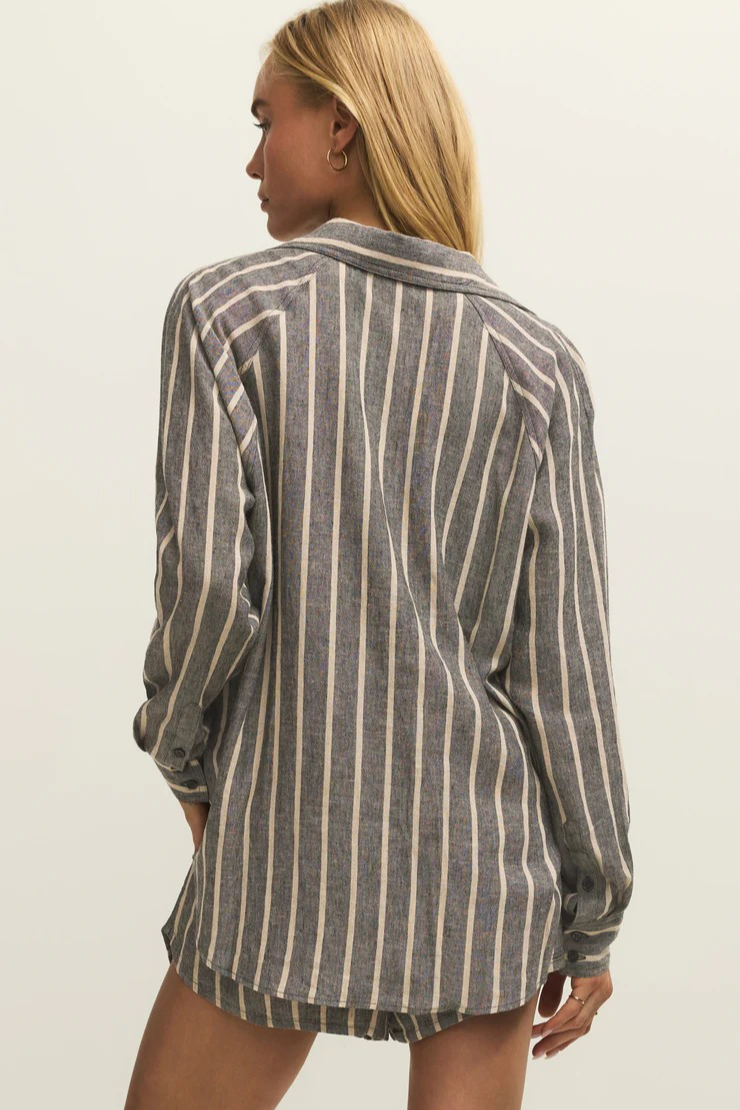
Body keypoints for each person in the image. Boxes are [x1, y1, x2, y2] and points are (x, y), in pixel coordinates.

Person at [124, 2, 634, 1108]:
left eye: (266, 119)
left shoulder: (229, 314)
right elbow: (564, 671)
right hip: (482, 878)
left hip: (282, 845)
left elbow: (207, 592)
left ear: (342, 127)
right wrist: (592, 911)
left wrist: (186, 757)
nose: (252, 158)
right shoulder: (536, 362)